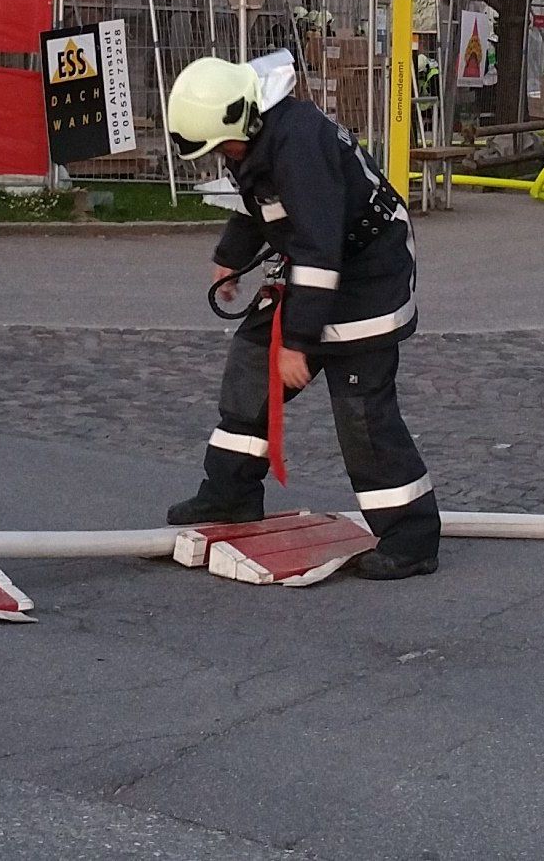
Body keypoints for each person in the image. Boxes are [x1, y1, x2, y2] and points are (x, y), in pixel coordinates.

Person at [162, 53, 440, 580]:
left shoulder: (300, 143)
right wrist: (230, 258)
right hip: (320, 264)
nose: (224, 157)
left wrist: (297, 342)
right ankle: (230, 493)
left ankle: (412, 537)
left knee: (362, 413)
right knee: (250, 367)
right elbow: (258, 204)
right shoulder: (253, 134)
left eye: (224, 147)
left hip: (368, 275)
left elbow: (318, 246)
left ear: (242, 119)